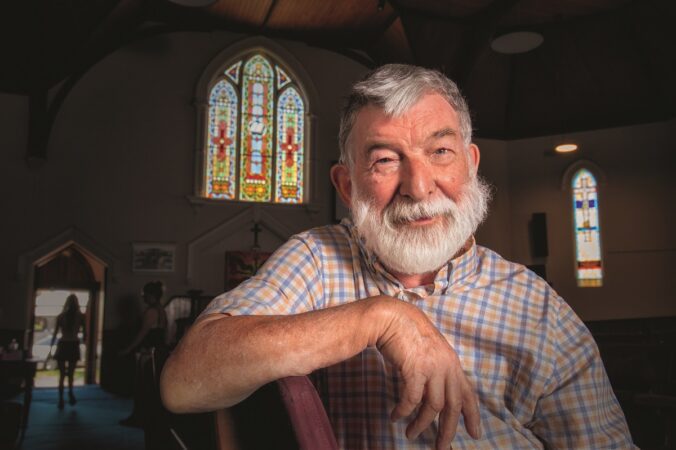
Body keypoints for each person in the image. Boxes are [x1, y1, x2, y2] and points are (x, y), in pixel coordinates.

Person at [160, 64, 635, 449]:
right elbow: (184, 383)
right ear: (347, 186)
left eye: (440, 151)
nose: (419, 187)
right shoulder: (318, 258)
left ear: (470, 166)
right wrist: (381, 318)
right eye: (386, 160)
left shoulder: (539, 308)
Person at [119, 281, 168, 427]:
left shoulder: (152, 311)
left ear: (151, 295)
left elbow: (143, 333)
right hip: (157, 351)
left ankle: (140, 418)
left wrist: (128, 349)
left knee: (142, 386)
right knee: (150, 386)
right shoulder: (161, 309)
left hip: (148, 352)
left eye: (144, 294)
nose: (143, 297)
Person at [50, 294, 86, 410]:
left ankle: (60, 399)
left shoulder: (61, 316)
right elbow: (85, 334)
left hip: (63, 344)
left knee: (61, 375)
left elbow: (55, 334)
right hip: (73, 344)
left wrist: (51, 349)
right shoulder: (81, 316)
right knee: (71, 374)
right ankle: (70, 392)